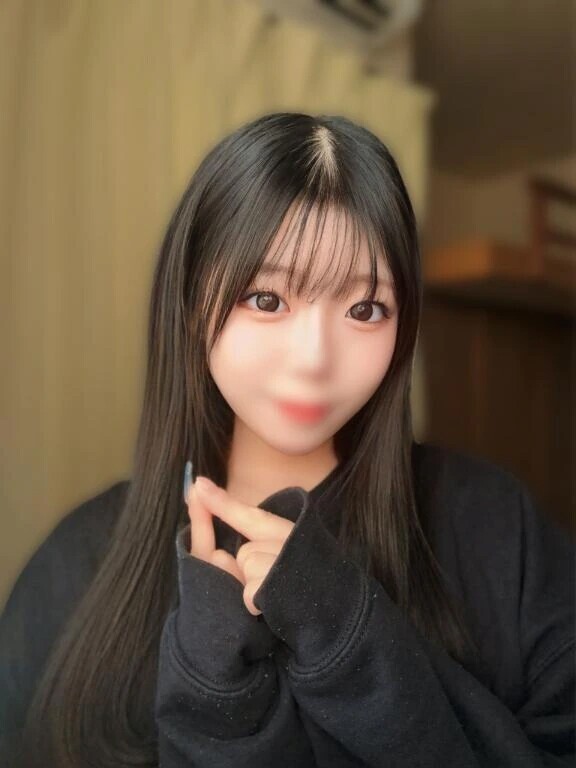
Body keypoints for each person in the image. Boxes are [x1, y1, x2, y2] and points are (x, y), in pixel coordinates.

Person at [0, 112, 573, 768]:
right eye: (266, 299)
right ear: (190, 300)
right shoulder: (75, 561)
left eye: (365, 309)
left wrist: (354, 634)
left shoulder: (494, 525)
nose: (313, 359)